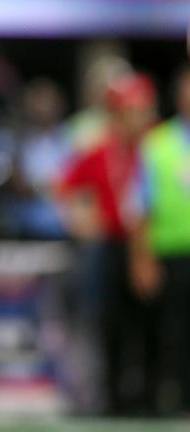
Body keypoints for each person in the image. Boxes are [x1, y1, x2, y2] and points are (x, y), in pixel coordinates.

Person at [58, 72, 158, 416]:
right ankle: (111, 397)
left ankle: (150, 395)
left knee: (150, 324)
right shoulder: (100, 149)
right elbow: (65, 185)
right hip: (111, 246)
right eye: (131, 110)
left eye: (143, 110)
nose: (138, 118)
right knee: (108, 323)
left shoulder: (157, 147)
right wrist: (81, 219)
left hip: (151, 245)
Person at [130, 64, 190, 414]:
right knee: (171, 332)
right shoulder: (157, 143)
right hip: (171, 252)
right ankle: (173, 400)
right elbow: (140, 206)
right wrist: (141, 258)